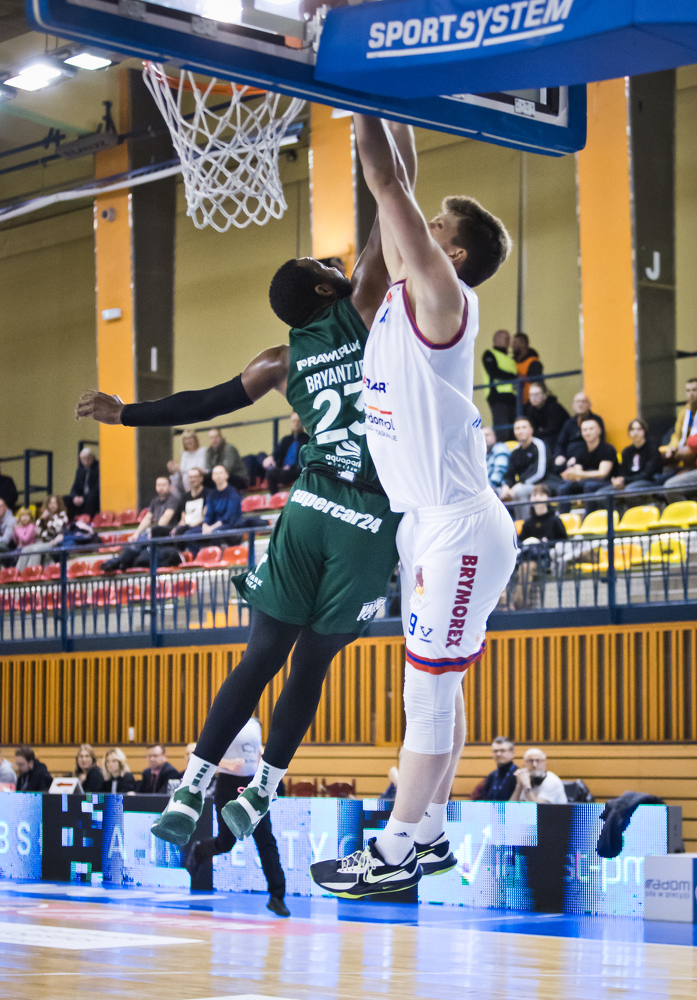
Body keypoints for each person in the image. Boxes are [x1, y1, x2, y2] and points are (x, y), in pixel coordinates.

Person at [75, 120, 414, 854]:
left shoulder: (278, 360)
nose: (331, 261)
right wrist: (389, 114)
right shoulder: (360, 305)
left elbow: (205, 402)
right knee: (311, 664)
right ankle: (262, 789)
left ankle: (191, 785)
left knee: (259, 655)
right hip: (370, 511)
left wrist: (124, 413)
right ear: (325, 287)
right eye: (320, 262)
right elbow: (395, 197)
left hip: (308, 502)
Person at [310, 115, 518, 898]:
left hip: (457, 524)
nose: (418, 227)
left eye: (435, 228)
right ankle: (427, 833)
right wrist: (394, 113)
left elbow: (386, 182)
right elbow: (400, 180)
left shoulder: (441, 296)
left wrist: (356, 97)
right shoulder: (408, 288)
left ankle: (394, 849)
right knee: (436, 689)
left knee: (427, 693)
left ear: (452, 255)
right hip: (425, 522)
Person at [185, 715, 290, 917]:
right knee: (226, 842)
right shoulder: (225, 717)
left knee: (265, 840)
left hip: (253, 785)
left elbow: (258, 752)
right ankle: (199, 851)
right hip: (227, 785)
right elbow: (198, 755)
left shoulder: (255, 724)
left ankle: (277, 896)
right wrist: (227, 763)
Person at [101, 476, 180, 572]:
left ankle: (118, 563)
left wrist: (152, 533)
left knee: (143, 543)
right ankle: (116, 563)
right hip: (154, 535)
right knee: (135, 546)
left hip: (166, 536)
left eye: (163, 485)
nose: (161, 487)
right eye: (159, 485)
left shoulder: (173, 500)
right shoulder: (155, 501)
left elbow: (165, 519)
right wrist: (137, 533)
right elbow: (147, 518)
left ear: (169, 486)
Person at [557, 417, 618, 510]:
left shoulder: (607, 449)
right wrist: (571, 475)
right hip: (585, 482)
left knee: (589, 486)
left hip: (607, 482)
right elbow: (577, 474)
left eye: (591, 429)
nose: (588, 432)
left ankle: (589, 517)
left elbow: (602, 474)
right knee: (564, 487)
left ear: (599, 431)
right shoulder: (580, 451)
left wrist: (579, 474)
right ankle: (563, 517)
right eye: (584, 430)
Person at [499, 418, 554, 519]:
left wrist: (519, 485)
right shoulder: (515, 451)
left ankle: (524, 522)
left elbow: (539, 473)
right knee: (499, 493)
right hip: (521, 485)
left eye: (524, 427)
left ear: (531, 430)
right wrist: (506, 486)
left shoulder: (539, 445)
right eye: (517, 428)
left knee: (519, 491)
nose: (520, 431)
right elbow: (509, 474)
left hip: (543, 483)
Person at [598, 419, 663, 500]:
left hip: (648, 481)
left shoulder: (652, 449)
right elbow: (623, 471)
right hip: (628, 482)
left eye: (639, 429)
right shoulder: (627, 451)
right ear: (629, 433)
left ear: (644, 431)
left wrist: (625, 480)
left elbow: (647, 474)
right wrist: (619, 480)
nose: (635, 432)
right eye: (632, 429)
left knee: (629, 491)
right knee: (601, 493)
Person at [481, 329, 518, 441]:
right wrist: (513, 377)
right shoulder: (489, 354)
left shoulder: (510, 359)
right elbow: (493, 371)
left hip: (512, 397)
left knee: (513, 429)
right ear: (496, 340)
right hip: (497, 396)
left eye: (509, 338)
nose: (508, 341)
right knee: (503, 429)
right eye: (505, 338)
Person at [554, 392, 605, 469]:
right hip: (567, 459)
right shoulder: (569, 422)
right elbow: (560, 443)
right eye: (577, 402)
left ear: (590, 405)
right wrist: (560, 455)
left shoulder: (596, 421)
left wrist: (577, 458)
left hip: (587, 459)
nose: (580, 404)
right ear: (573, 405)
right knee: (556, 466)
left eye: (583, 401)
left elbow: (596, 443)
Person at [263, 413, 310, 494]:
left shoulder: (307, 439)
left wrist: (291, 467)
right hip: (284, 471)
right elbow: (277, 454)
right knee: (270, 472)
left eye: (298, 421)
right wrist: (271, 458)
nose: (296, 424)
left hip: (298, 471)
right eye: (294, 421)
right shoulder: (286, 440)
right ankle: (275, 497)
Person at [663, 378, 697, 489]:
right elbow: (677, 435)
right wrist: (672, 447)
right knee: (664, 474)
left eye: (694, 390)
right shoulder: (684, 412)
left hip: (693, 454)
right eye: (688, 390)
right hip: (685, 460)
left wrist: (689, 448)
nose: (691, 393)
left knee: (671, 486)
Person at [522, 383, 569, 453]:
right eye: (531, 395)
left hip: (560, 440)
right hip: (544, 438)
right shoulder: (530, 410)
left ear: (544, 396)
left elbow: (553, 429)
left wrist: (540, 431)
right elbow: (532, 429)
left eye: (536, 394)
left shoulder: (554, 407)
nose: (533, 398)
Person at [475, 736, 518, 801]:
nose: (498, 754)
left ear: (512, 753)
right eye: (495, 751)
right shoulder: (491, 776)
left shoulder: (518, 775)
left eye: (502, 751)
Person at [65, 447, 100, 520]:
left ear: (93, 458)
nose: (86, 460)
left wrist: (84, 498)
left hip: (92, 496)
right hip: (81, 496)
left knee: (91, 499)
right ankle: (70, 521)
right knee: (66, 499)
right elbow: (75, 486)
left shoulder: (97, 468)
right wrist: (74, 497)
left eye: (88, 458)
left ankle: (86, 520)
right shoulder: (80, 470)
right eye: (83, 458)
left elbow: (97, 488)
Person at [173, 467, 209, 535]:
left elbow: (205, 515)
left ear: (201, 478)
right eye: (190, 477)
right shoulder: (185, 497)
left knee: (187, 533)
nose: (192, 480)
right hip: (186, 526)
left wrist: (192, 525)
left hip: (200, 526)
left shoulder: (208, 494)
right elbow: (183, 517)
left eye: (195, 477)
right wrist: (177, 528)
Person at [512, 332, 542, 404]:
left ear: (523, 344)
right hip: (515, 401)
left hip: (530, 402)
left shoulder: (533, 362)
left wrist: (522, 377)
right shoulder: (512, 362)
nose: (512, 346)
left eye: (515, 342)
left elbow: (537, 381)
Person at [483, 425, 510, 493]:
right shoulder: (482, 453)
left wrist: (485, 488)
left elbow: (499, 473)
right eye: (482, 436)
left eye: (487, 435)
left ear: (494, 437)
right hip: (487, 488)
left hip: (500, 487)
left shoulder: (500, 448)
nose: (484, 438)